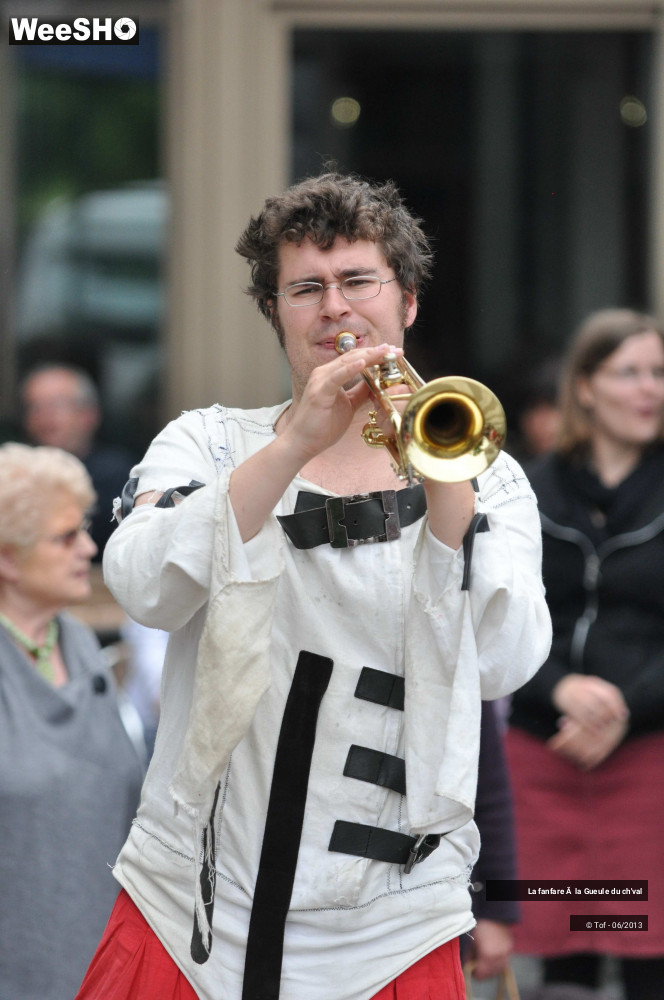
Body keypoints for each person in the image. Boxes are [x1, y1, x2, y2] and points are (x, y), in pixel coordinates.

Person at [76, 170, 551, 1000]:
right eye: (306, 288)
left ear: (407, 301)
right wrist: (292, 444)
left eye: (358, 280)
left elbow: (504, 663)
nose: (335, 308)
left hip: (394, 927)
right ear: (275, 312)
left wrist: (448, 487)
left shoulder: (493, 477)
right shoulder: (207, 443)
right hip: (191, 909)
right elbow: (146, 590)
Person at [506, 308, 664, 1000]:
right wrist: (560, 689)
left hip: (650, 756)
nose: (649, 388)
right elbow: (495, 620)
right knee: (562, 955)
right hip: (546, 753)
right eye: (629, 372)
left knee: (650, 954)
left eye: (658, 373)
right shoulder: (523, 488)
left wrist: (625, 705)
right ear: (586, 387)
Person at [0, 443, 144, 1000]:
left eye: (84, 529)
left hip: (104, 965)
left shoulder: (81, 645)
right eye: (64, 537)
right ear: (8, 558)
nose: (88, 547)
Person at [20, 363, 133, 557]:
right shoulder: (17, 476)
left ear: (89, 414)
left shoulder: (120, 477)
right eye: (35, 407)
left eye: (57, 405)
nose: (45, 416)